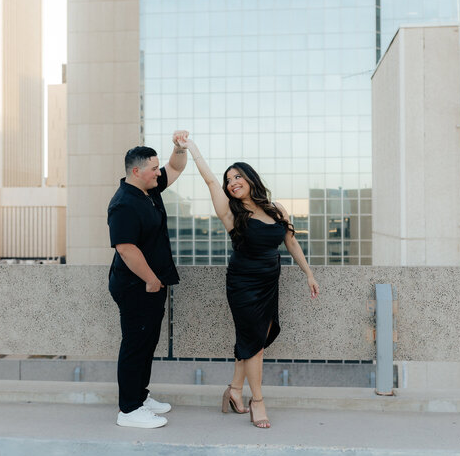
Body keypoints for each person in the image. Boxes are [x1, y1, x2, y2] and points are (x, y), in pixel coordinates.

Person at [179, 137, 319, 429]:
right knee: (255, 346)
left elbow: (290, 242)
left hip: (269, 286)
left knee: (254, 340)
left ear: (250, 178)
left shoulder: (276, 209)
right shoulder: (231, 214)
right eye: (229, 180)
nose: (232, 182)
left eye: (237, 176)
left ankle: (233, 390)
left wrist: (308, 273)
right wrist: (192, 148)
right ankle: (258, 402)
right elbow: (209, 182)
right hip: (243, 286)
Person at [107, 132, 189, 428]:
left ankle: (140, 396)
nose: (159, 172)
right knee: (135, 344)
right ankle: (129, 410)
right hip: (137, 285)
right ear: (136, 171)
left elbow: (176, 167)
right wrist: (152, 280)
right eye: (154, 168)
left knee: (146, 342)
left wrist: (179, 148)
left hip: (152, 284)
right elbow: (126, 249)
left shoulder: (149, 189)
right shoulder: (123, 204)